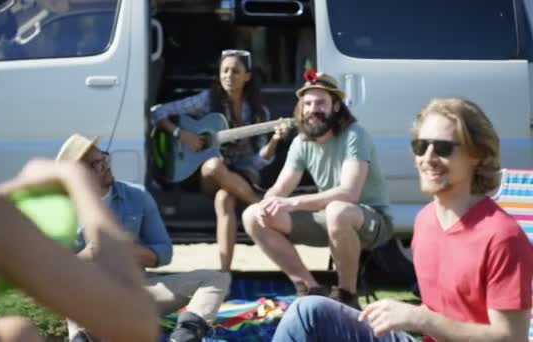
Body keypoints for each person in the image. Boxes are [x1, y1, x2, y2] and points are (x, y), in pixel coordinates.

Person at [0, 64, 158, 341]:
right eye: (91, 164)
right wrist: (79, 184)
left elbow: (161, 250)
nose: (102, 166)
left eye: (101, 159)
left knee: (16, 331)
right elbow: (137, 322)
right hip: (102, 294)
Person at [271, 97, 533, 342]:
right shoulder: (426, 221)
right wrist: (409, 317)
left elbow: (512, 337)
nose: (428, 158)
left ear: (475, 155)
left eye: (443, 148)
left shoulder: (501, 237)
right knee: (308, 311)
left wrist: (420, 318)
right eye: (420, 146)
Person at [56, 133, 231, 342]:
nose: (105, 164)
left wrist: (131, 251)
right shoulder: (61, 210)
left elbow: (165, 252)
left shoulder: (136, 195)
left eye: (104, 157)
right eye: (96, 163)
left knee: (218, 278)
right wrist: (91, 253)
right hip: (92, 297)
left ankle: (183, 338)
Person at [241, 70, 393, 310]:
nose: (313, 109)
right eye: (307, 103)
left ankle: (347, 295)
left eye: (321, 102)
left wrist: (293, 203)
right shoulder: (301, 142)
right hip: (330, 218)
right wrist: (267, 203)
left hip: (370, 219)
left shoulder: (355, 135)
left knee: (337, 210)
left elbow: (349, 194)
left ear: (335, 106)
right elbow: (281, 187)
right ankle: (310, 288)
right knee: (252, 216)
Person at [151, 49, 289, 272]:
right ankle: (260, 205)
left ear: (247, 77)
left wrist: (274, 140)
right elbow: (157, 112)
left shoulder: (258, 112)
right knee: (214, 165)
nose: (228, 76)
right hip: (212, 171)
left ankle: (224, 272)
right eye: (224, 70)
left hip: (244, 170)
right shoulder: (208, 100)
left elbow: (259, 161)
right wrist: (181, 134)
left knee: (224, 199)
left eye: (235, 71)